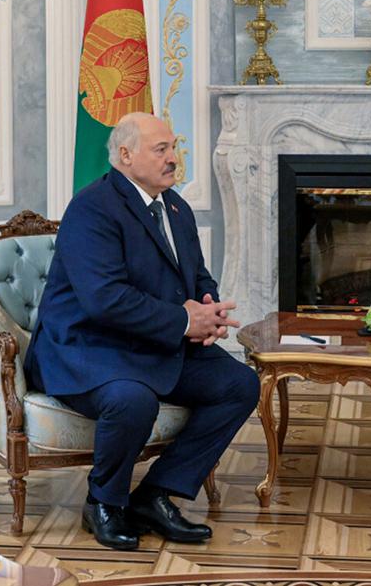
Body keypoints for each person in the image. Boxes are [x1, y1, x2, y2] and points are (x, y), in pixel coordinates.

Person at [25, 112, 260, 551]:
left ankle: (155, 494)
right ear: (126, 155)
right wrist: (185, 322)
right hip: (88, 347)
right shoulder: (93, 208)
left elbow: (196, 275)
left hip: (151, 342)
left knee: (240, 384)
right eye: (161, 149)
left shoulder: (175, 206)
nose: (174, 158)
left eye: (174, 148)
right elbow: (105, 299)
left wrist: (207, 309)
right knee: (132, 400)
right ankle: (103, 503)